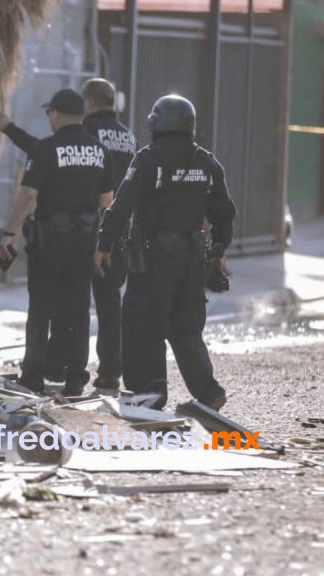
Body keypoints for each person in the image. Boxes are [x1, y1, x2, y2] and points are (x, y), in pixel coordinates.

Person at [0, 78, 136, 392]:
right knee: (79, 308)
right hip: (86, 242)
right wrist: (105, 242)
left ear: (56, 114)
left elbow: (28, 194)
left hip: (49, 241)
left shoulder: (48, 148)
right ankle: (76, 376)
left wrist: (8, 233)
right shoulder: (103, 150)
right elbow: (107, 201)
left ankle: (33, 376)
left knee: (41, 308)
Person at [94, 94, 235, 411]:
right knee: (186, 329)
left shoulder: (147, 159)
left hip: (154, 258)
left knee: (143, 323)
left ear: (156, 122)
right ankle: (209, 391)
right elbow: (224, 215)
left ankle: (150, 391)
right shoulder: (207, 162)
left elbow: (121, 206)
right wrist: (218, 251)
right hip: (192, 257)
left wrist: (104, 244)